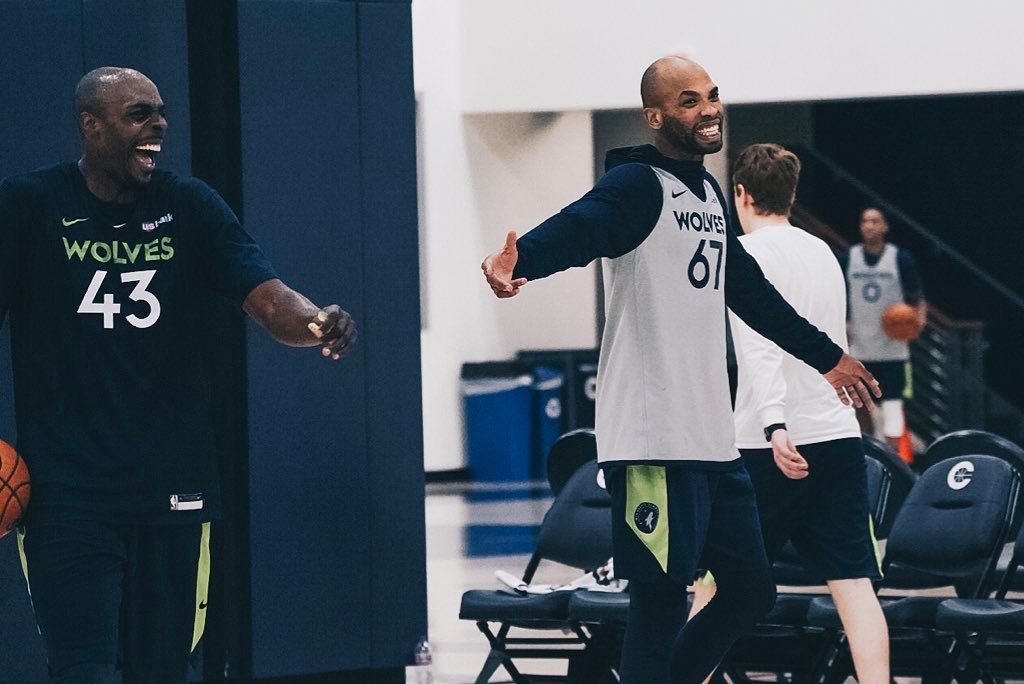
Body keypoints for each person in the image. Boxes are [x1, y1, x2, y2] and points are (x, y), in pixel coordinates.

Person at [481, 55, 879, 684]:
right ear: (655, 116)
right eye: (689, 101)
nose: (708, 109)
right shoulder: (636, 184)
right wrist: (520, 260)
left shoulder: (709, 193)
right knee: (661, 602)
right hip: (652, 440)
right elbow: (582, 226)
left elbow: (750, 292)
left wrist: (827, 358)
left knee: (751, 591)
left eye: (712, 95)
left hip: (712, 441)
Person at [0, 67, 357, 683]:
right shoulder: (28, 205)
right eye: (139, 114)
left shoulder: (189, 205)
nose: (159, 125)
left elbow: (271, 300)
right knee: (81, 670)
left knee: (162, 671)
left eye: (161, 112)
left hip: (174, 488)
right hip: (66, 494)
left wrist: (316, 320)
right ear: (91, 126)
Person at [689, 144, 889, 683]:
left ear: (740, 194)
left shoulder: (741, 254)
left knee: (716, 581)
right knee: (854, 585)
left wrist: (775, 424)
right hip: (837, 435)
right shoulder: (824, 252)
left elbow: (760, 348)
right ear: (791, 194)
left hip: (767, 444)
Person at [840, 207, 926, 450]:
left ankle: (893, 457)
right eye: (865, 221)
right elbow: (837, 294)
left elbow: (917, 297)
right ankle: (866, 452)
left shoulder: (901, 259)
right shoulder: (848, 258)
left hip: (893, 348)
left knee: (893, 404)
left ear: (885, 226)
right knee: (859, 403)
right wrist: (842, 322)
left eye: (875, 221)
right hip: (859, 347)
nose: (869, 225)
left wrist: (917, 322)